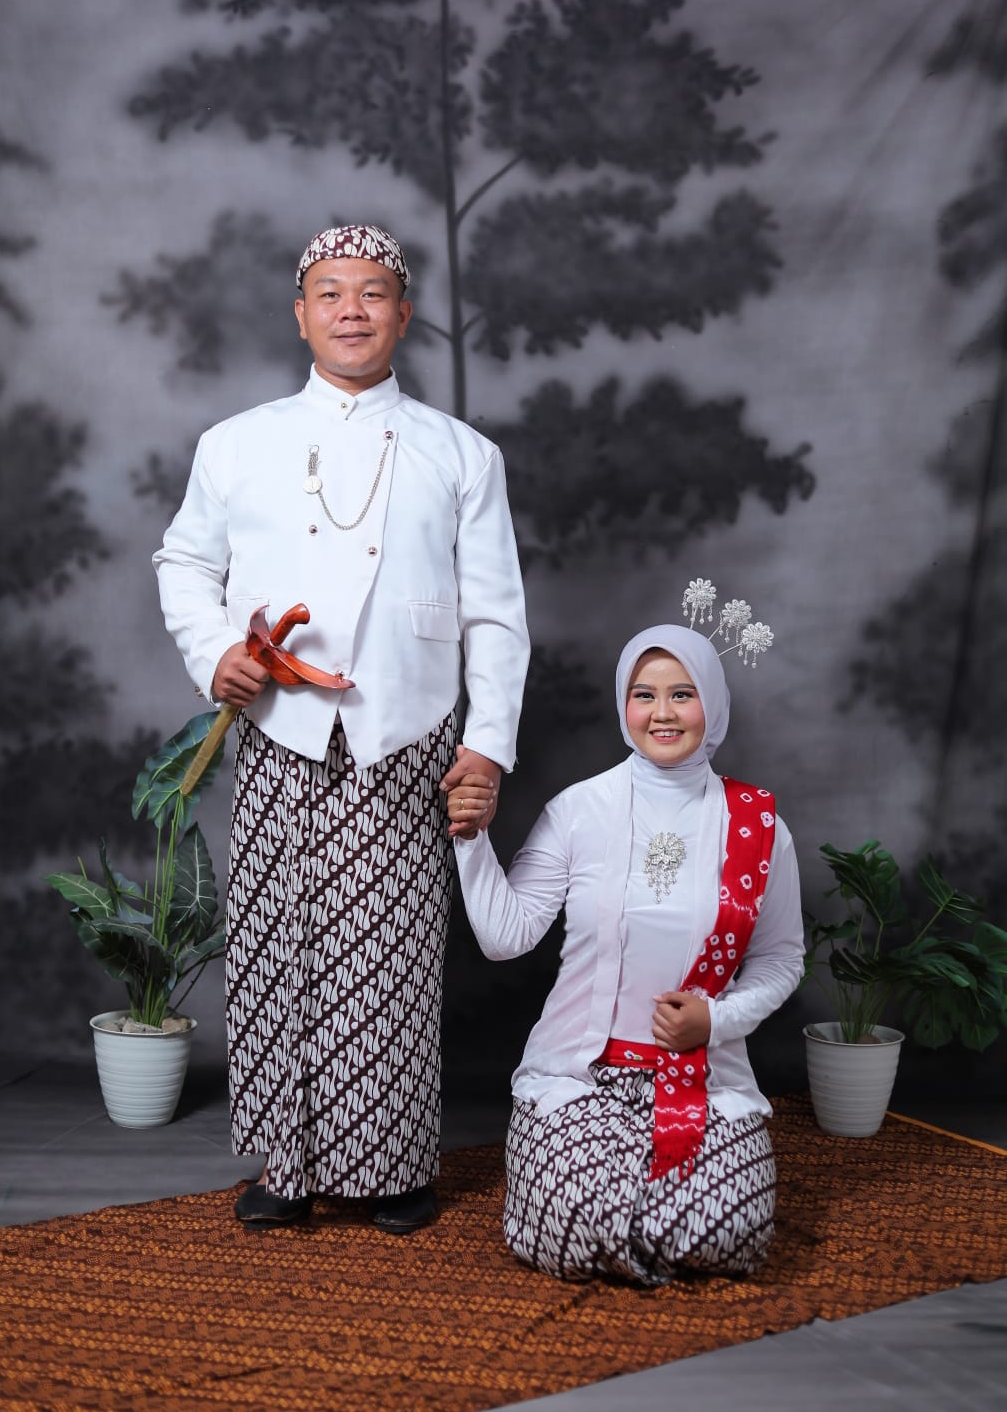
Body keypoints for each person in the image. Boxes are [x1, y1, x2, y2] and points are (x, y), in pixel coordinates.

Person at [154, 223, 530, 1235]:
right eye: (330, 293)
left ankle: (394, 1167)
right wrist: (215, 653)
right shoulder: (236, 443)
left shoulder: (463, 454)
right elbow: (183, 563)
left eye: (371, 293)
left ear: (402, 315)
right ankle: (286, 1163)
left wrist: (487, 744)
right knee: (278, 945)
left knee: (389, 959)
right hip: (280, 728)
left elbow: (497, 614)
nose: (351, 310)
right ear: (301, 314)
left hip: (408, 731)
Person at [446, 621, 803, 1283]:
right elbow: (505, 936)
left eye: (682, 694)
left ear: (713, 704)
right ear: (624, 705)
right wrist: (471, 839)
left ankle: (641, 1220)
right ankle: (626, 1214)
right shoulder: (579, 810)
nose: (662, 713)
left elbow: (781, 959)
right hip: (579, 1078)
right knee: (572, 1217)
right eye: (645, 695)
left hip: (703, 1079)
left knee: (727, 1232)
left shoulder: (758, 826)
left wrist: (715, 1020)